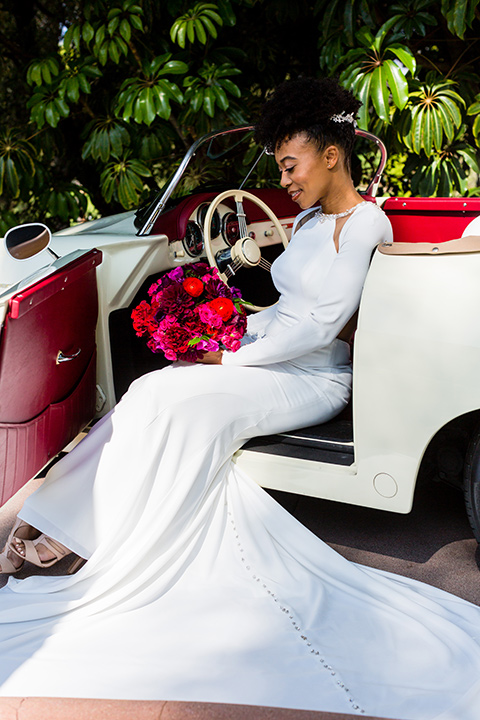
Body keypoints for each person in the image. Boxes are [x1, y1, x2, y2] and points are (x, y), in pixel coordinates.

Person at [0, 77, 479, 719]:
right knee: (150, 394)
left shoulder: (365, 222)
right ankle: (65, 524)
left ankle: (84, 534)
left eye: (290, 163)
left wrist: (225, 351)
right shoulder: (310, 219)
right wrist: (222, 322)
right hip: (272, 357)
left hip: (315, 378)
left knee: (168, 397)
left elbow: (317, 324)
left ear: (331, 154)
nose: (284, 179)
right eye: (280, 166)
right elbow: (284, 308)